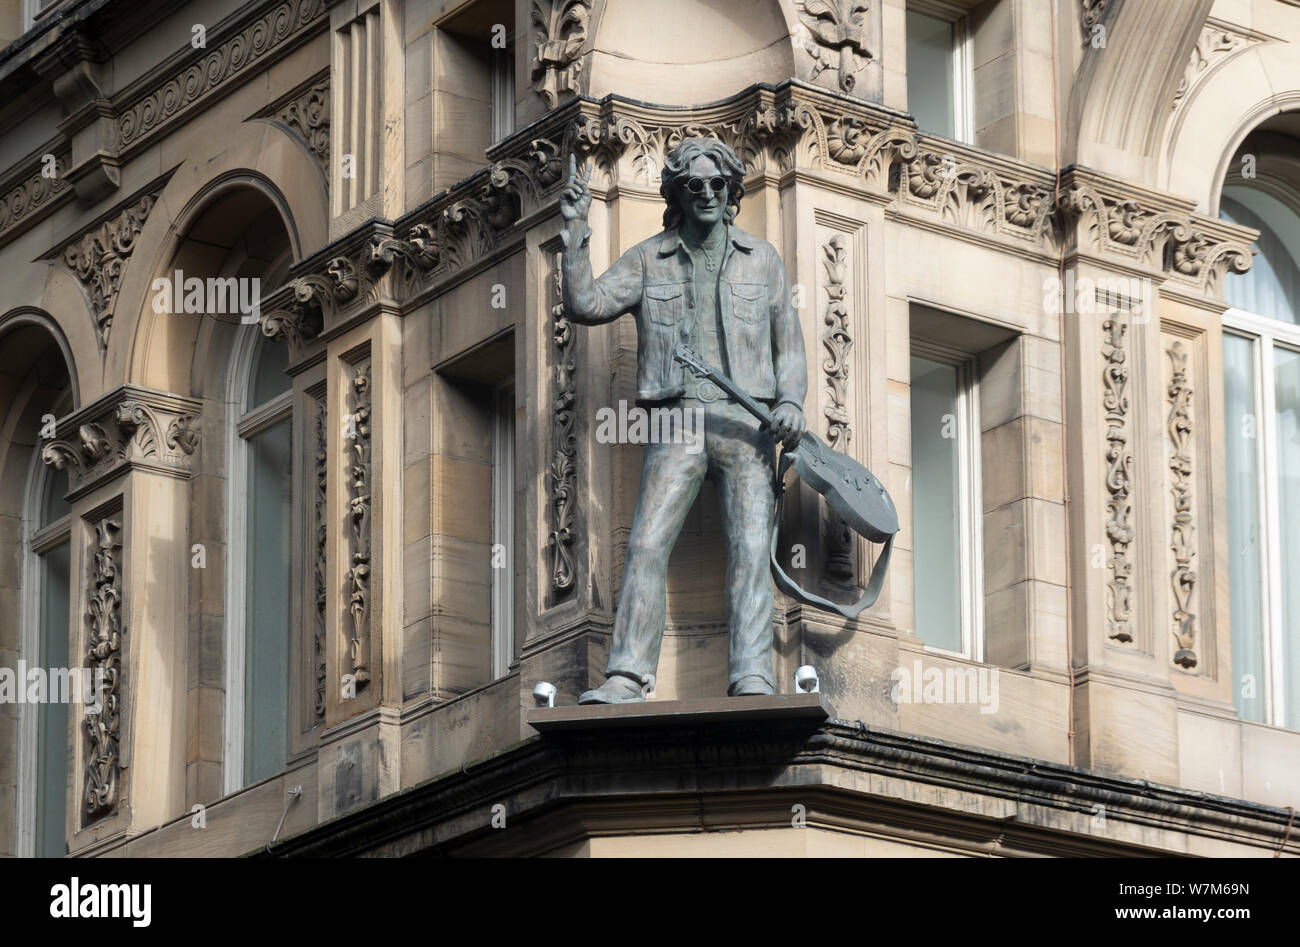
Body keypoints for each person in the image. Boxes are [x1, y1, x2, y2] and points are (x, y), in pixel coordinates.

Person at [560, 139, 807, 702]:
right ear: (676, 191)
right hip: (677, 422)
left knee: (749, 546)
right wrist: (575, 234)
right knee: (646, 543)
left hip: (747, 425)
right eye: (694, 185)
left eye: (718, 184)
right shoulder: (650, 258)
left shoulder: (762, 260)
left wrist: (790, 403)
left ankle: (752, 674)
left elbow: (788, 347)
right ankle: (626, 675)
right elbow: (587, 304)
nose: (707, 194)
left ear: (732, 190)